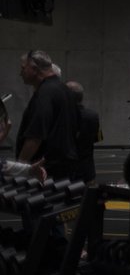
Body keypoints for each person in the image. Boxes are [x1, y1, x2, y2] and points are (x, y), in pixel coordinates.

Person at [14, 50, 78, 180]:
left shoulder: (45, 93)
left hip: (44, 171)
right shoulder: (65, 90)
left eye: (23, 68)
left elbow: (35, 136)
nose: (20, 73)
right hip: (65, 169)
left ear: (34, 69)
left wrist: (19, 167)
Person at [68, 81, 102, 185]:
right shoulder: (93, 116)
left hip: (67, 172)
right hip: (87, 171)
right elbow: (98, 138)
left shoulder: (61, 116)